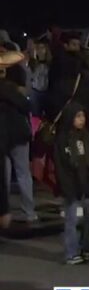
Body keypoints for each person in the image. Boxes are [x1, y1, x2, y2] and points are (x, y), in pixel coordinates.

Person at [55, 103, 89, 265]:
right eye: (78, 117)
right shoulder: (63, 139)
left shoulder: (86, 136)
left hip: (86, 184)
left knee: (88, 217)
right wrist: (67, 186)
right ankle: (71, 252)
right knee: (72, 219)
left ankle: (85, 247)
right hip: (71, 185)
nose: (81, 120)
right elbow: (62, 165)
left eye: (83, 116)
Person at [0, 49, 29, 228]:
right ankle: (28, 211)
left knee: (6, 174)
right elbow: (26, 105)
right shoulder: (9, 89)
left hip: (6, 137)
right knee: (22, 173)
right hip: (17, 134)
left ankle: (6, 209)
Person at [28, 39, 50, 118]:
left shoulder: (50, 64)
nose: (40, 50)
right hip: (35, 92)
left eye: (42, 48)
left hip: (47, 92)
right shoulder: (33, 63)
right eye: (38, 48)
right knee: (35, 116)